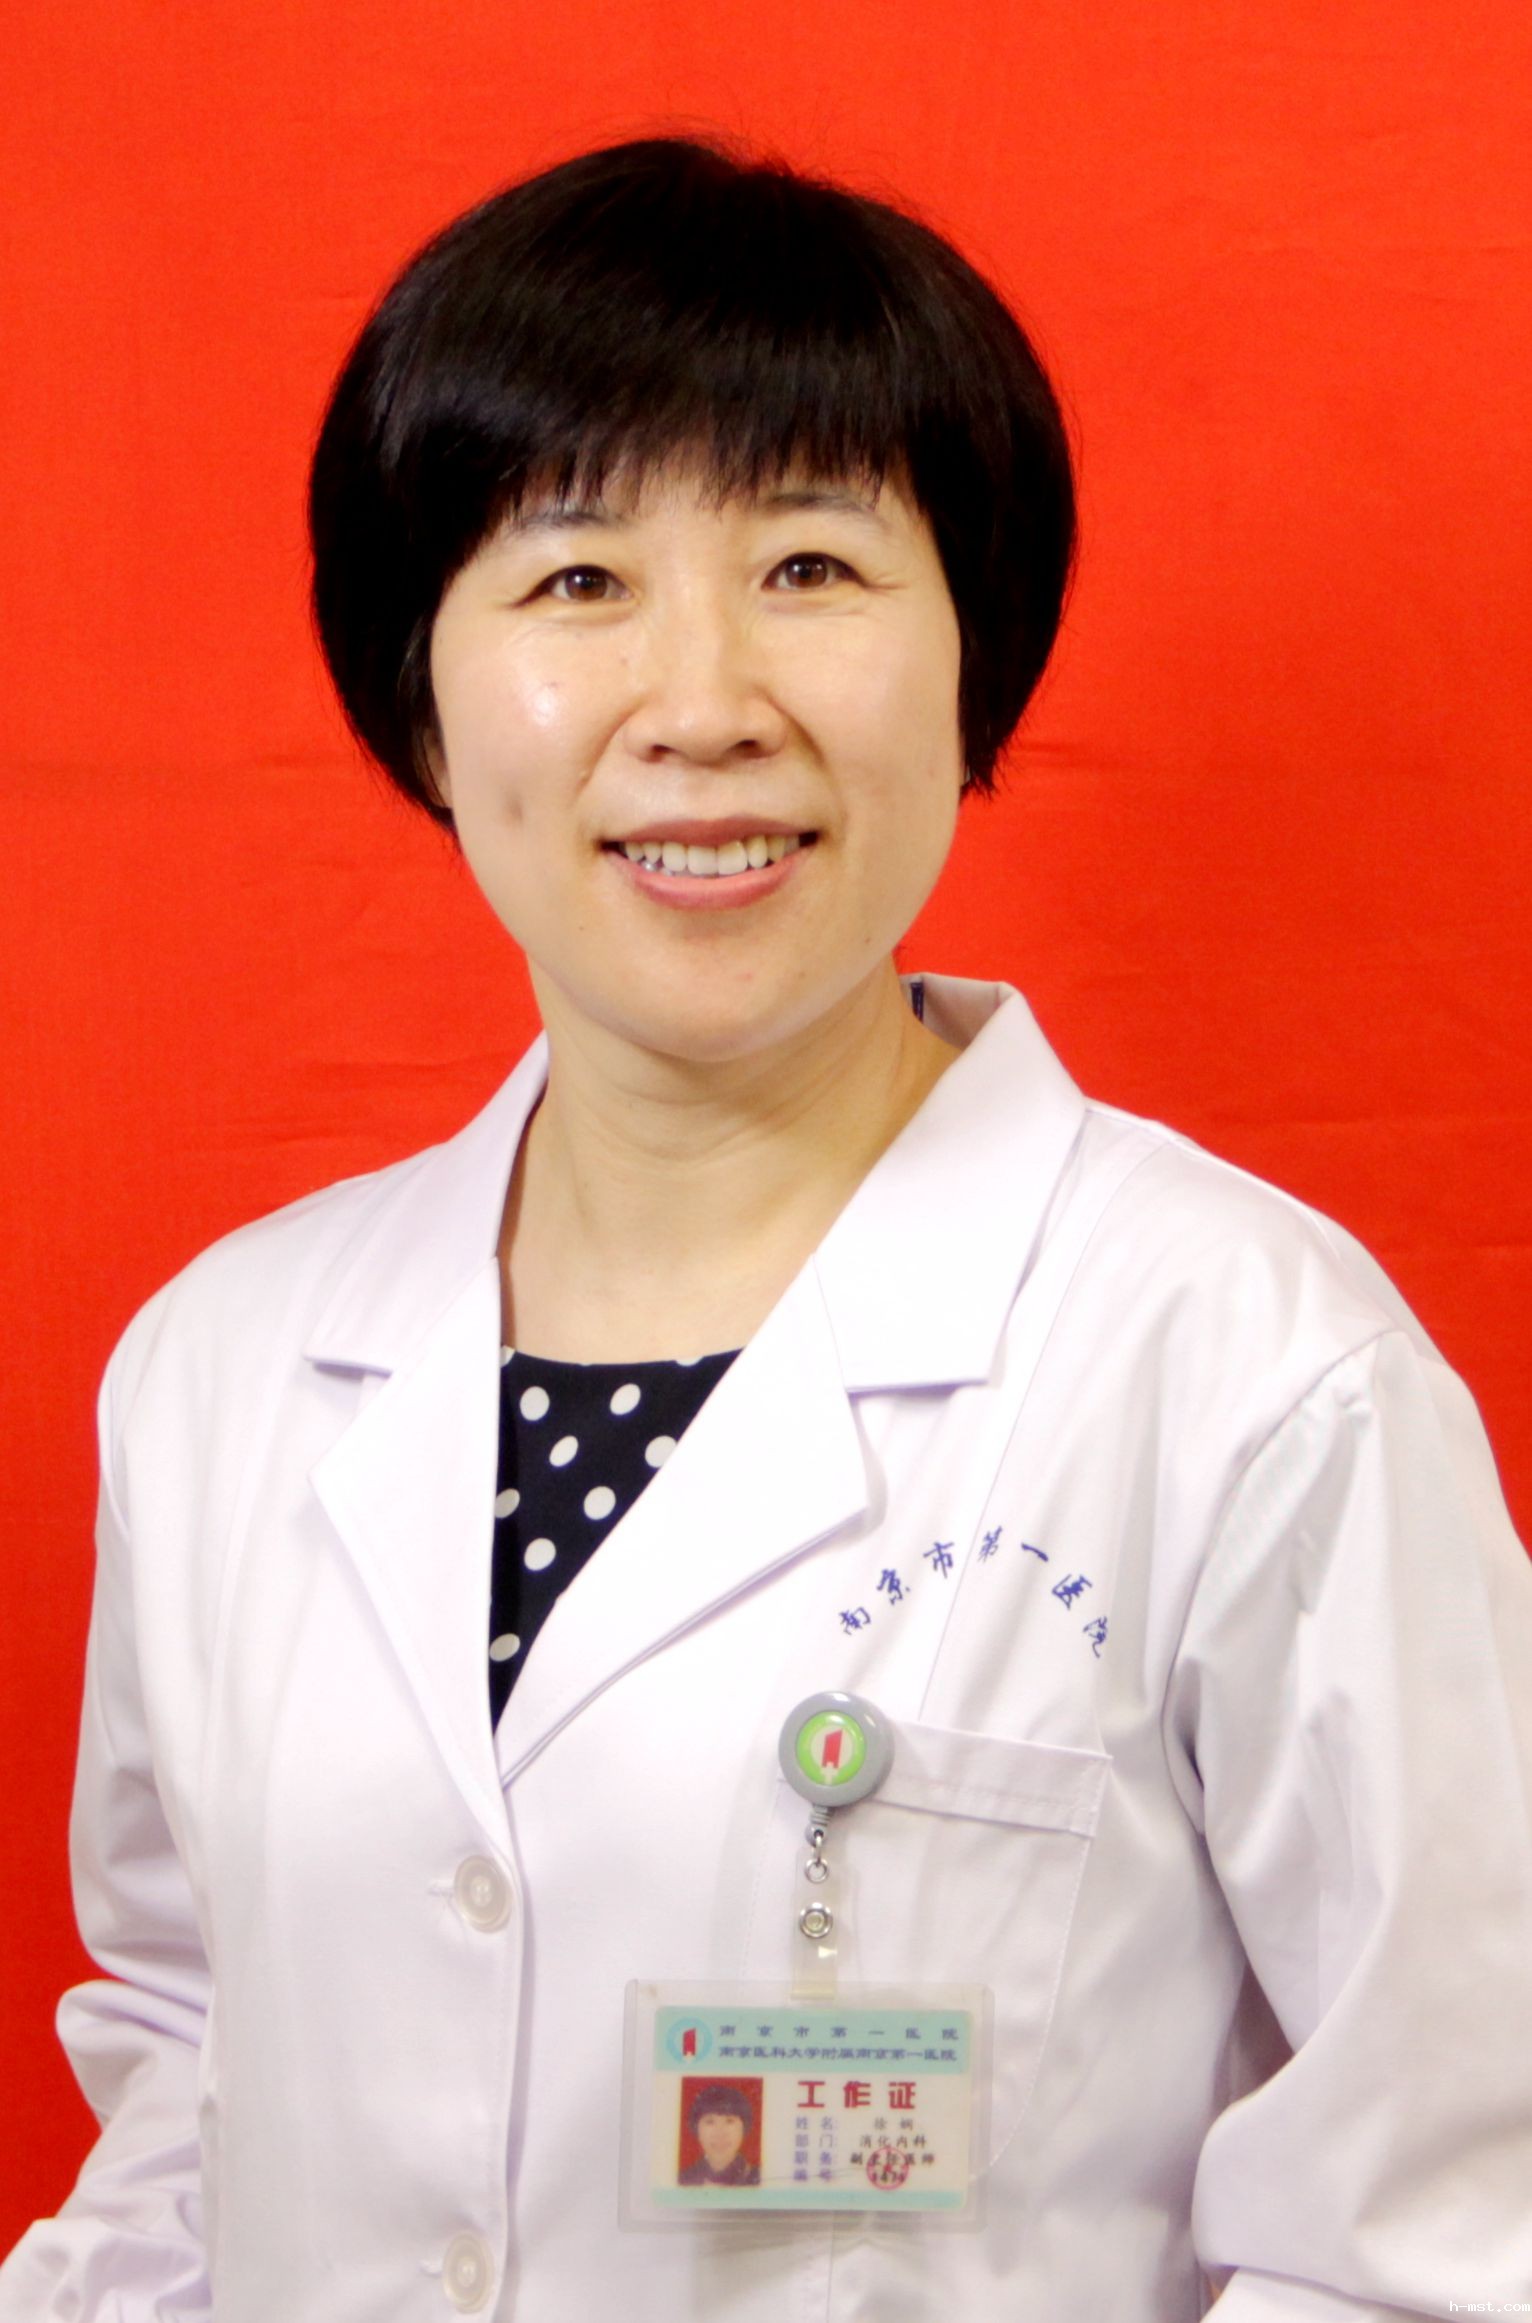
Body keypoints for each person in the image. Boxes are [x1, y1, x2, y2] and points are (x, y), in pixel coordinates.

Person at [2, 129, 1529, 2323]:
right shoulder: (223, 1367)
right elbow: (190, 2067)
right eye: (575, 580)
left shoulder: (1248, 1366)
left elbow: (1449, 2221)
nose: (704, 702)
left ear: (974, 651)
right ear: (418, 688)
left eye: (810, 564)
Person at [678, 2085, 761, 2187]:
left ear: (744, 2127)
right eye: (710, 2122)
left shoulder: (760, 2179)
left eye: (729, 2121)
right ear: (696, 2128)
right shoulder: (681, 2180)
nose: (720, 2132)